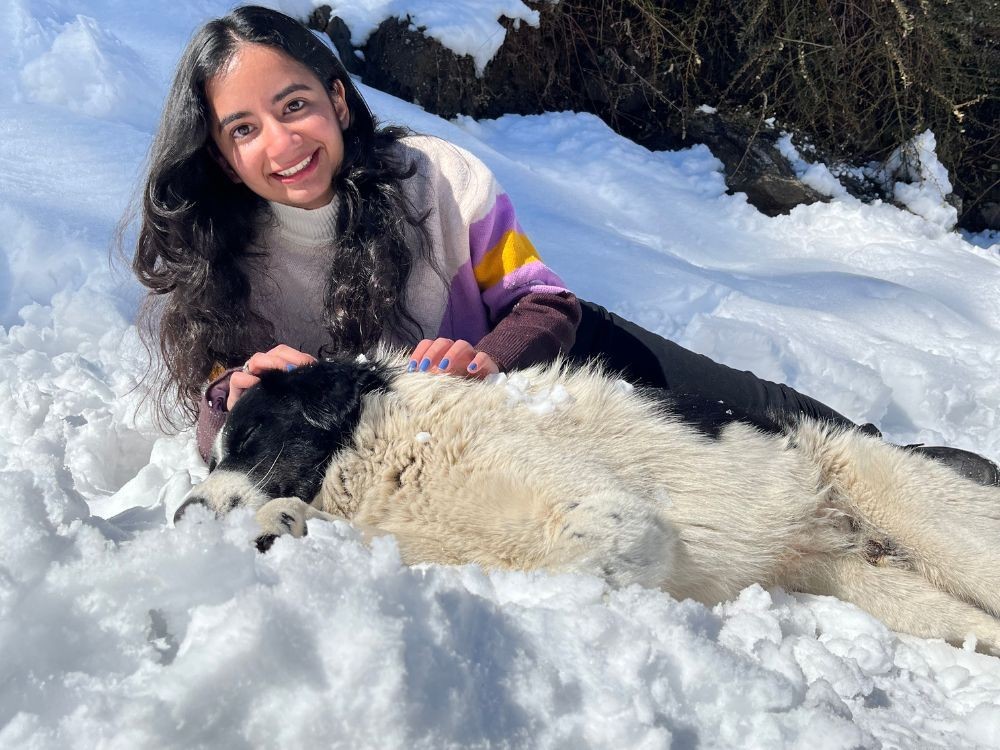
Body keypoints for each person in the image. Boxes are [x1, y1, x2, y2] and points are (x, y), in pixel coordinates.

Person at [128, 6, 998, 485]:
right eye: (243, 129)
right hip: (484, 449)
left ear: (339, 100)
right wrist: (231, 397)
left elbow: (544, 301)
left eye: (293, 106)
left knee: (762, 412)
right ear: (219, 151)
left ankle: (904, 468)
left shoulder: (434, 179)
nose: (281, 144)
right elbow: (222, 425)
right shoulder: (218, 256)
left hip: (567, 359)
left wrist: (482, 357)